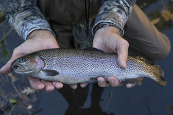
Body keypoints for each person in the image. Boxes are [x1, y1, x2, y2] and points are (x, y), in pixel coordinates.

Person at [0, 0, 171, 92]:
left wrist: (110, 25)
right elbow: (15, 7)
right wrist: (37, 32)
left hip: (109, 8)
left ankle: (141, 69)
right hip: (51, 21)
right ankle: (113, 73)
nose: (20, 65)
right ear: (37, 59)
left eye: (23, 62)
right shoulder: (43, 60)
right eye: (23, 63)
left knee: (160, 49)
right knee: (69, 84)